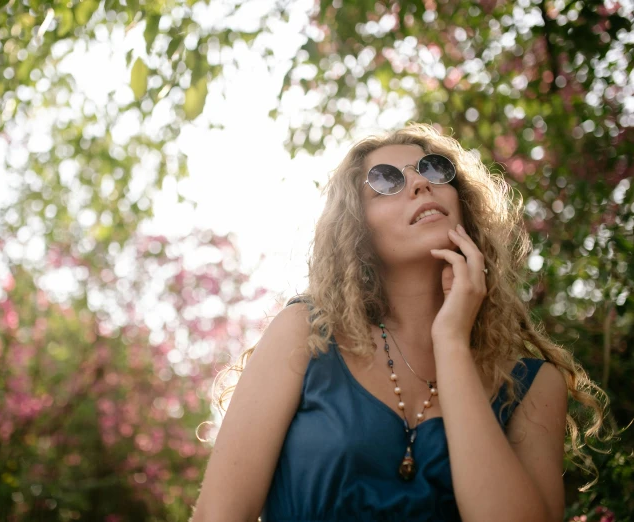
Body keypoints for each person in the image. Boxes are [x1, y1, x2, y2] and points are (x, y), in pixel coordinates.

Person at [190, 123, 609, 522]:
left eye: (433, 170)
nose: (421, 183)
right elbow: (218, 515)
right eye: (387, 181)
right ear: (357, 227)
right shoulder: (304, 334)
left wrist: (451, 342)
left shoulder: (534, 385)